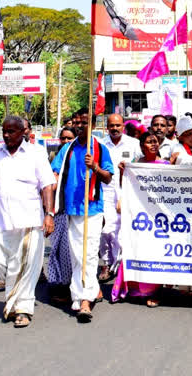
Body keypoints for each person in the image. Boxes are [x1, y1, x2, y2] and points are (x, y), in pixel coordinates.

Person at [0, 116, 55, 328]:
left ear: (23, 133)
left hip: (29, 218)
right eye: (4, 131)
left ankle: (22, 308)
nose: (6, 135)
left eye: (11, 131)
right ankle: (14, 297)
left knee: (27, 265)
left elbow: (47, 185)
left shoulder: (35, 153)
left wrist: (49, 214)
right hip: (2, 218)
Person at [53, 108, 114, 322]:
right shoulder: (67, 148)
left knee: (88, 255)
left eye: (84, 122)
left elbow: (107, 178)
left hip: (93, 209)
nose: (79, 125)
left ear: (93, 125)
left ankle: (84, 301)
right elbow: (55, 173)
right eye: (77, 122)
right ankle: (88, 290)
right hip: (71, 210)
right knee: (77, 254)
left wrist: (95, 167)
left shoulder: (100, 148)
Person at [111, 132, 168, 307]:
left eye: (156, 142)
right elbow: (126, 187)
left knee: (157, 252)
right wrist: (123, 173)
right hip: (139, 218)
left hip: (159, 217)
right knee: (138, 249)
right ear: (142, 146)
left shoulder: (166, 165)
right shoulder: (135, 165)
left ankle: (155, 291)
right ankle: (134, 288)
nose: (153, 145)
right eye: (149, 142)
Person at [98, 114, 137, 283]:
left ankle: (118, 266)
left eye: (118, 125)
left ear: (123, 126)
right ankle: (106, 262)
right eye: (111, 126)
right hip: (104, 192)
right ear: (107, 127)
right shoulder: (99, 145)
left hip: (126, 192)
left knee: (121, 233)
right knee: (105, 230)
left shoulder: (133, 144)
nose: (115, 129)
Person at [48, 127, 77, 302]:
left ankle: (69, 286)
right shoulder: (54, 158)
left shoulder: (78, 156)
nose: (66, 142)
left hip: (73, 209)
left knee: (69, 250)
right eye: (63, 138)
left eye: (70, 139)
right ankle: (58, 283)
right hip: (57, 210)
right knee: (57, 249)